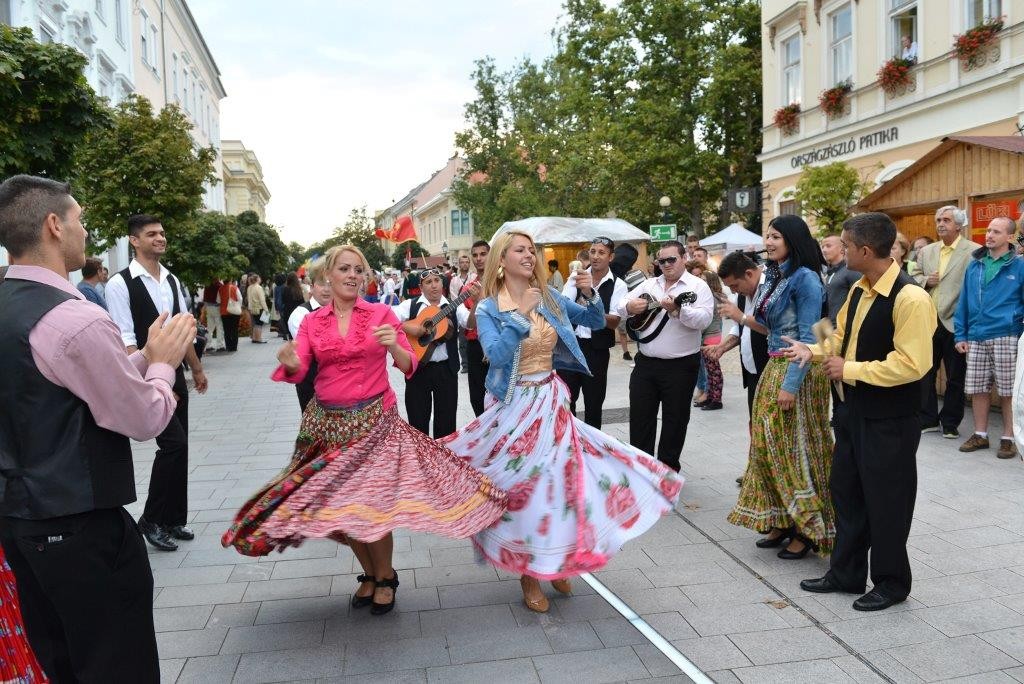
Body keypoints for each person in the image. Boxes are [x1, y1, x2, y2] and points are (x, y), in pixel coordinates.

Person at [222, 245, 506, 616]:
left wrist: (394, 346)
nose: (353, 275)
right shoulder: (312, 322)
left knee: (370, 504)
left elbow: (409, 364)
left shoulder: (380, 313)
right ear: (328, 276)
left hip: (375, 422)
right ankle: (370, 573)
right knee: (342, 507)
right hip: (328, 427)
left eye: (358, 270)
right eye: (345, 269)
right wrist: (290, 362)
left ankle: (385, 576)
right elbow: (300, 367)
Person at [0, 174, 197, 680]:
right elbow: (144, 418)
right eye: (79, 220)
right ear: (54, 225)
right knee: (117, 664)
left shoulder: (12, 306)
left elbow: (64, 386)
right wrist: (163, 366)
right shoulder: (74, 319)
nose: (85, 232)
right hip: (82, 527)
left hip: (20, 523)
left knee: (60, 660)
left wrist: (143, 357)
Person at [443, 231, 684, 612]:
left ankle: (555, 560)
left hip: (551, 400)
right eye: (520, 250)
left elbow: (595, 321)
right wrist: (520, 317)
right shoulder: (490, 307)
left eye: (531, 250)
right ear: (502, 260)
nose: (529, 256)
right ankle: (529, 572)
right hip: (514, 405)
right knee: (526, 490)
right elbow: (495, 355)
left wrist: (589, 293)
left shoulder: (550, 296)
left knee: (558, 485)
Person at [786, 212, 936, 611]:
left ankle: (891, 582)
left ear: (865, 251)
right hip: (852, 411)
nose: (840, 250)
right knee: (847, 493)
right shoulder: (859, 288)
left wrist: (848, 370)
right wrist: (812, 350)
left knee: (887, 501)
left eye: (846, 245)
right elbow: (840, 336)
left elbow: (913, 364)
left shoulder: (911, 298)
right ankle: (846, 573)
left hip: (891, 418)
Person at [727, 215, 835, 560]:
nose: (769, 242)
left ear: (792, 239)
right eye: (768, 236)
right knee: (766, 445)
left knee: (796, 448)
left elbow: (810, 337)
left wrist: (790, 386)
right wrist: (741, 318)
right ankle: (782, 518)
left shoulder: (806, 279)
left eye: (776, 236)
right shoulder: (777, 275)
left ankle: (808, 528)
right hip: (774, 364)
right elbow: (770, 329)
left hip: (798, 369)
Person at [106, 214, 210, 552]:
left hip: (176, 373)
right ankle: (151, 519)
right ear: (134, 240)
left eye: (162, 233)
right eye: (152, 234)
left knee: (182, 445)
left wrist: (196, 369)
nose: (160, 238)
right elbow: (125, 339)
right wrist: (147, 382)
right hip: (148, 375)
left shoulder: (171, 280)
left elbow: (182, 329)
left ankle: (173, 519)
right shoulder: (120, 283)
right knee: (173, 444)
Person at [616, 240, 714, 472]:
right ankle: (642, 469)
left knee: (675, 420)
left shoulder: (698, 286)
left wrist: (679, 310)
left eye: (672, 259)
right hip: (646, 364)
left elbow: (704, 320)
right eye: (662, 261)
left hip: (681, 366)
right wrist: (630, 306)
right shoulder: (649, 284)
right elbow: (619, 304)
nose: (667, 264)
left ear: (684, 258)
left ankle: (667, 472)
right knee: (640, 417)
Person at [954, 216, 1024, 459]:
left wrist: (1018, 330)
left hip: (1006, 335)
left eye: (996, 231)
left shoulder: (1019, 266)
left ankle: (1009, 438)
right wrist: (960, 335)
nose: (989, 235)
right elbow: (963, 302)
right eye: (988, 230)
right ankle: (980, 435)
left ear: (1010, 237)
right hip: (975, 335)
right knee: (978, 389)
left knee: (1008, 391)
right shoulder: (975, 265)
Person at [911, 205, 975, 438]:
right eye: (938, 220)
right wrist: (926, 280)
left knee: (956, 376)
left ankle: (950, 422)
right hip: (928, 320)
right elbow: (913, 275)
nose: (940, 224)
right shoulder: (927, 251)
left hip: (956, 321)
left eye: (946, 220)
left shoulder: (974, 251)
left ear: (959, 225)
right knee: (925, 372)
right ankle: (927, 418)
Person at [558, 237, 628, 428]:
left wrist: (590, 308)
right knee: (565, 400)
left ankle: (591, 444)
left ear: (610, 257)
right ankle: (568, 440)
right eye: (593, 251)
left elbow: (614, 321)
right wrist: (586, 311)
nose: (595, 256)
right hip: (571, 346)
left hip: (597, 351)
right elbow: (562, 308)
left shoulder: (618, 284)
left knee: (594, 403)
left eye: (601, 253)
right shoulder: (576, 277)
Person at [392, 267, 467, 438]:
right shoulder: (409, 305)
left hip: (447, 370)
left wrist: (476, 302)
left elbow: (469, 323)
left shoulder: (453, 305)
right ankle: (420, 455)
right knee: (417, 424)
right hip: (418, 370)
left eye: (437, 281)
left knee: (447, 424)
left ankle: (442, 455)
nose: (433, 285)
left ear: (442, 283)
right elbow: (388, 319)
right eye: (428, 282)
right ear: (421, 287)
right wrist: (411, 328)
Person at [711, 251, 769, 417]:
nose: (733, 291)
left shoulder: (771, 287)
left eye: (734, 285)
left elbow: (772, 328)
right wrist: (722, 347)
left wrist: (741, 317)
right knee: (755, 424)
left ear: (748, 274)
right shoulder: (743, 295)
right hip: (752, 373)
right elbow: (739, 328)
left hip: (770, 371)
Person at [288, 259, 333, 412]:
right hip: (311, 384)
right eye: (321, 284)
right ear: (312, 287)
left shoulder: (341, 311)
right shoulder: (301, 314)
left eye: (331, 284)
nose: (326, 289)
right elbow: (313, 349)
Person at [458, 240, 491, 416]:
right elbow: (469, 324)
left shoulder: (504, 283)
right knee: (477, 397)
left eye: (483, 254)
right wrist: (477, 302)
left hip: (500, 345)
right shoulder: (468, 288)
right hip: (476, 345)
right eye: (475, 255)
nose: (478, 258)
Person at [697, 269, 725, 411]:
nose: (700, 282)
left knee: (713, 370)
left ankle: (716, 400)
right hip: (712, 334)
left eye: (703, 280)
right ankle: (711, 397)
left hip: (711, 336)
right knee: (710, 368)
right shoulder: (714, 296)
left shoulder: (711, 298)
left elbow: (706, 320)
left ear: (710, 282)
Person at [821, 234, 860, 326]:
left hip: (844, 327)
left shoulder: (851, 270)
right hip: (830, 328)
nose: (824, 250)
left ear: (841, 248)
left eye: (828, 246)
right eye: (822, 247)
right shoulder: (827, 273)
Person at [450, 255, 473, 373]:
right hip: (460, 310)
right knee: (462, 339)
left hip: (473, 310)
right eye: (462, 262)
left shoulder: (474, 277)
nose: (465, 264)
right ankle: (465, 364)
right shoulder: (454, 280)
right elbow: (454, 297)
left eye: (467, 262)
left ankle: (473, 361)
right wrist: (462, 308)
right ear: (459, 264)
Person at [219, 278, 243, 352]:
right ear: (230, 280)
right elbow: (240, 298)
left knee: (227, 330)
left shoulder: (220, 289)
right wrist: (238, 306)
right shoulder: (234, 288)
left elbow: (218, 300)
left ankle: (228, 346)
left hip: (224, 312)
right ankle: (234, 347)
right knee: (234, 329)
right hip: (234, 312)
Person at [279, 273, 305, 341]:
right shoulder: (298, 289)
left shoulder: (285, 289)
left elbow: (283, 300)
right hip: (297, 311)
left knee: (290, 330)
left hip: (288, 311)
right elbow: (302, 301)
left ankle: (291, 342)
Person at [247, 274, 269, 343]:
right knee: (259, 324)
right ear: (257, 279)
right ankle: (258, 338)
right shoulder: (259, 287)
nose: (260, 279)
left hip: (252, 308)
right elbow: (262, 300)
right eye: (259, 278)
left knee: (256, 323)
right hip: (259, 308)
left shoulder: (249, 287)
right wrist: (266, 309)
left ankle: (254, 338)